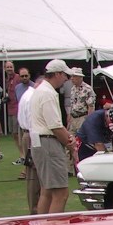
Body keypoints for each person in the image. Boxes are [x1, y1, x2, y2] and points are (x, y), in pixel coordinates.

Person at [29, 59, 74, 214]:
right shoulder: (48, 93)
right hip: (48, 143)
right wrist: (70, 143)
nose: (66, 79)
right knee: (61, 193)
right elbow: (54, 126)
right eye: (65, 75)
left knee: (47, 191)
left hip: (39, 142)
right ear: (57, 74)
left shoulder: (40, 90)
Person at [18, 74, 42, 213]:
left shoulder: (28, 94)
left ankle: (36, 207)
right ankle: (35, 210)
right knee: (34, 175)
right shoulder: (32, 97)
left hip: (28, 134)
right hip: (32, 136)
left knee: (34, 175)